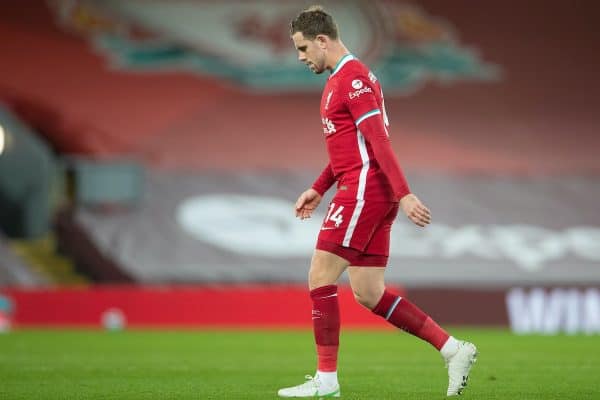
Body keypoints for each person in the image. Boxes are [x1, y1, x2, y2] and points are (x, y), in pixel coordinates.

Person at [278, 5, 477, 398]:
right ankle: (453, 349)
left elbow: (378, 143)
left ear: (322, 40)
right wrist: (319, 187)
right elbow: (348, 150)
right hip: (366, 186)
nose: (300, 57)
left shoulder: (352, 79)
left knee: (320, 275)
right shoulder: (345, 78)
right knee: (368, 291)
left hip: (366, 189)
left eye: (303, 48)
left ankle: (327, 382)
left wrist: (404, 194)